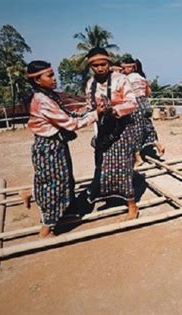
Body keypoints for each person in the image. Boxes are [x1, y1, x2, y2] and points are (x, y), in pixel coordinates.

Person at [25, 60, 105, 237]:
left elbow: (67, 114)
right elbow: (70, 123)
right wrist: (95, 114)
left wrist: (88, 111)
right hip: (49, 147)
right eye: (50, 75)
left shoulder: (48, 95)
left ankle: (42, 201)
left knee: (62, 179)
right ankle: (46, 226)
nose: (54, 78)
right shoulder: (42, 100)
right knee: (53, 184)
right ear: (38, 80)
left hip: (56, 145)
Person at [85, 48, 139, 220]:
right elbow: (89, 107)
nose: (100, 68)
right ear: (90, 66)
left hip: (121, 128)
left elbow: (132, 102)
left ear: (108, 63)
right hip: (103, 129)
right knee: (102, 166)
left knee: (123, 167)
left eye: (103, 64)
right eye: (95, 65)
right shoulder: (90, 84)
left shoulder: (120, 79)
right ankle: (108, 197)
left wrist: (113, 110)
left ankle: (132, 204)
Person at [121, 57, 164, 166]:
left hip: (135, 105)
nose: (123, 70)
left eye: (124, 68)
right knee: (148, 126)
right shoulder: (141, 77)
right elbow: (148, 93)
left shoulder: (127, 79)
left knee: (134, 130)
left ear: (131, 67)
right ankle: (157, 144)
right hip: (145, 104)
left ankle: (138, 157)